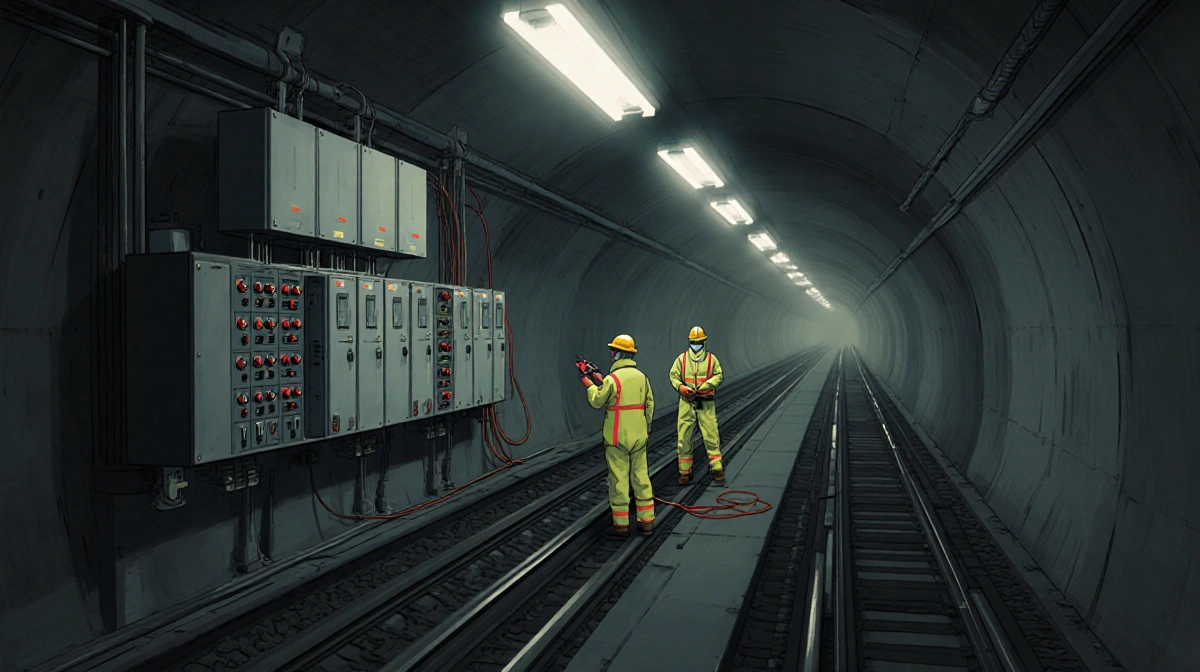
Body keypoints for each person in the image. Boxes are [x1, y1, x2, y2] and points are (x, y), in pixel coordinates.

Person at [576, 334, 656, 537]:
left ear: (619, 354)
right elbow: (649, 405)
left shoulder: (613, 379)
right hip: (639, 436)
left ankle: (621, 524)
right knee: (641, 477)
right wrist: (645, 427)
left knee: (619, 479)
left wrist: (588, 382)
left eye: (613, 351)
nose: (611, 354)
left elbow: (598, 399)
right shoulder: (642, 378)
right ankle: (646, 522)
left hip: (616, 437)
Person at [669, 326, 724, 485]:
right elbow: (674, 376)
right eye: (694, 342)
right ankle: (684, 471)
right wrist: (681, 388)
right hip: (687, 402)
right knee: (684, 438)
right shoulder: (682, 359)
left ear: (704, 342)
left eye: (698, 342)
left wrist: (705, 386)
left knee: (711, 436)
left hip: (705, 402)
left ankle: (717, 468)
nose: (696, 345)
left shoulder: (712, 359)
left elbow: (718, 376)